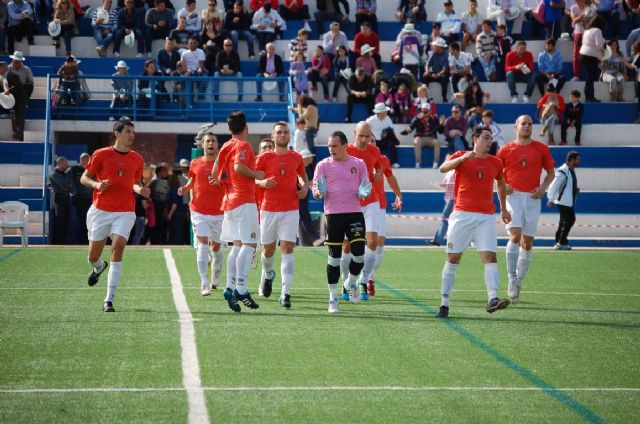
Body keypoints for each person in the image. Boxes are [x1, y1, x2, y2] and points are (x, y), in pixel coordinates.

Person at [435, 125, 512, 318]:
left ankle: (493, 298)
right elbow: (442, 168)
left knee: (490, 257)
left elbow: (501, 183)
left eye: (491, 137)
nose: (490, 140)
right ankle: (444, 303)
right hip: (462, 215)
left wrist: (503, 208)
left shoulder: (496, 162)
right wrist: (461, 159)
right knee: (453, 258)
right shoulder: (462, 155)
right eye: (486, 137)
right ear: (475, 139)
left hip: (486, 217)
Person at [80, 117, 149, 313]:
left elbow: (135, 182)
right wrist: (96, 185)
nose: (131, 135)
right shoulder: (101, 154)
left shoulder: (137, 158)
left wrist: (140, 190)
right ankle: (99, 267)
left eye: (133, 132)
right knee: (93, 256)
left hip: (125, 211)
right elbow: (84, 177)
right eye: (128, 131)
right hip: (101, 210)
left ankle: (108, 299)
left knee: (118, 248)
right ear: (117, 134)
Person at [497, 115, 555, 305]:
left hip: (532, 198)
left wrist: (543, 188)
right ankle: (511, 278)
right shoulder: (505, 149)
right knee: (515, 235)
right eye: (524, 124)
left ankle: (519, 280)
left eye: (530, 124)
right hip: (513, 197)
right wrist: (503, 186)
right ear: (516, 127)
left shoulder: (541, 148)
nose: (527, 127)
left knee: (527, 243)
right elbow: (495, 174)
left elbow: (551, 173)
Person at [210, 111, 264, 312]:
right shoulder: (243, 145)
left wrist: (225, 183)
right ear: (246, 128)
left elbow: (215, 173)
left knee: (236, 246)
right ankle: (241, 287)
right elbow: (239, 167)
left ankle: (230, 286)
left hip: (229, 201)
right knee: (250, 244)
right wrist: (256, 174)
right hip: (244, 200)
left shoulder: (225, 146)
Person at [312, 130, 371, 314]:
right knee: (334, 258)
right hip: (333, 215)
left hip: (354, 213)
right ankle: (333, 297)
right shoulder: (322, 165)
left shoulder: (359, 164)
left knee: (360, 255)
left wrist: (364, 192)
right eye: (329, 146)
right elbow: (315, 190)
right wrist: (319, 192)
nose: (331, 149)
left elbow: (366, 185)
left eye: (335, 146)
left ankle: (351, 282)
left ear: (345, 145)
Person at [254, 122, 307, 308]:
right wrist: (262, 183)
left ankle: (286, 293)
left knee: (287, 248)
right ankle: (268, 275)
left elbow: (301, 175)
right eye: (279, 133)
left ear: (289, 136)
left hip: (290, 209)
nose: (283, 135)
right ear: (273, 136)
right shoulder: (264, 157)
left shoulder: (296, 157)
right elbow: (254, 178)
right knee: (268, 251)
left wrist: (305, 187)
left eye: (286, 132)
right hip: (268, 209)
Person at [178, 129, 225, 295]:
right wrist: (185, 188)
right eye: (208, 141)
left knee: (217, 249)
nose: (211, 143)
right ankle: (204, 282)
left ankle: (215, 273)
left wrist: (220, 183)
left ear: (217, 144)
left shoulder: (224, 163)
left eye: (213, 141)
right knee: (203, 245)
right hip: (199, 210)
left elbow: (231, 184)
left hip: (220, 212)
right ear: (202, 145)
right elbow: (192, 180)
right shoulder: (195, 162)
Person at [341, 122, 382, 301]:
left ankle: (363, 280)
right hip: (351, 203)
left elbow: (378, 166)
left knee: (372, 242)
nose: (364, 140)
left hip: (371, 201)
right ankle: (345, 281)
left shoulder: (374, 151)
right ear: (354, 134)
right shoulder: (346, 150)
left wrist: (377, 174)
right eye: (361, 136)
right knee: (347, 246)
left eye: (367, 136)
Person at [547, 151, 580, 251]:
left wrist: (575, 189)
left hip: (567, 201)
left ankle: (559, 241)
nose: (578, 161)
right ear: (571, 160)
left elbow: (567, 185)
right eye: (577, 159)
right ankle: (561, 242)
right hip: (563, 201)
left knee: (563, 222)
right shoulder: (563, 171)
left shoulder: (570, 170)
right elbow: (554, 184)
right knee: (570, 219)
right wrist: (551, 198)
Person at [401, 102, 444, 169]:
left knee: (437, 142)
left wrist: (441, 124)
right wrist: (407, 130)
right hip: (420, 138)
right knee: (417, 141)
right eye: (423, 111)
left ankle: (435, 163)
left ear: (430, 111)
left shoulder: (435, 119)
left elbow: (440, 132)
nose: (424, 113)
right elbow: (411, 127)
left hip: (431, 138)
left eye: (426, 111)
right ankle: (418, 163)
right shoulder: (417, 118)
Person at [428, 154, 454, 246]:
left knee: (445, 220)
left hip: (452, 200)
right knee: (447, 220)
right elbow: (446, 185)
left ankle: (438, 240)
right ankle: (438, 240)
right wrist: (436, 184)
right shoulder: (450, 172)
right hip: (450, 199)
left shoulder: (453, 172)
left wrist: (436, 185)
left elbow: (448, 185)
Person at [67, 153, 93, 245]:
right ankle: (81, 241)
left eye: (88, 159)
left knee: (90, 220)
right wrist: (72, 191)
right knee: (81, 220)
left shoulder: (91, 170)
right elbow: (65, 179)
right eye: (85, 159)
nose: (87, 161)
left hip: (91, 199)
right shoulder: (74, 169)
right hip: (79, 199)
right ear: (81, 159)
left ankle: (88, 241)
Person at [579, 15, 606, 102]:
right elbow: (599, 46)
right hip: (591, 56)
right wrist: (603, 56)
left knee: (589, 77)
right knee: (591, 77)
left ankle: (588, 96)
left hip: (583, 55)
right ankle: (590, 96)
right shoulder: (597, 30)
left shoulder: (587, 30)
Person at [49, 156, 74, 244]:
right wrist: (67, 186)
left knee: (67, 222)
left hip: (67, 199)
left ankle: (61, 242)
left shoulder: (65, 174)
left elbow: (70, 186)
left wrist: (67, 187)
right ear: (59, 163)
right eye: (64, 164)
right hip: (59, 199)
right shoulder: (53, 174)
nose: (66, 166)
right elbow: (64, 184)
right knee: (61, 222)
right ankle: (56, 242)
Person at [366, 102, 400, 168]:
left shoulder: (387, 118)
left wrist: (386, 132)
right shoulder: (370, 120)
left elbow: (392, 129)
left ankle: (394, 162)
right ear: (380, 112)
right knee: (372, 146)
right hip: (375, 141)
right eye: (384, 111)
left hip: (385, 140)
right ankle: (373, 163)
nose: (386, 112)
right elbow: (365, 130)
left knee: (391, 143)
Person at [0, 59, 25, 140]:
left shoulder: (12, 75)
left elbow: (18, 86)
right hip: (12, 100)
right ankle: (16, 134)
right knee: (14, 117)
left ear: (3, 68)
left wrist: (9, 91)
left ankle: (20, 136)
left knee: (20, 117)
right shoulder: (2, 77)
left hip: (20, 100)